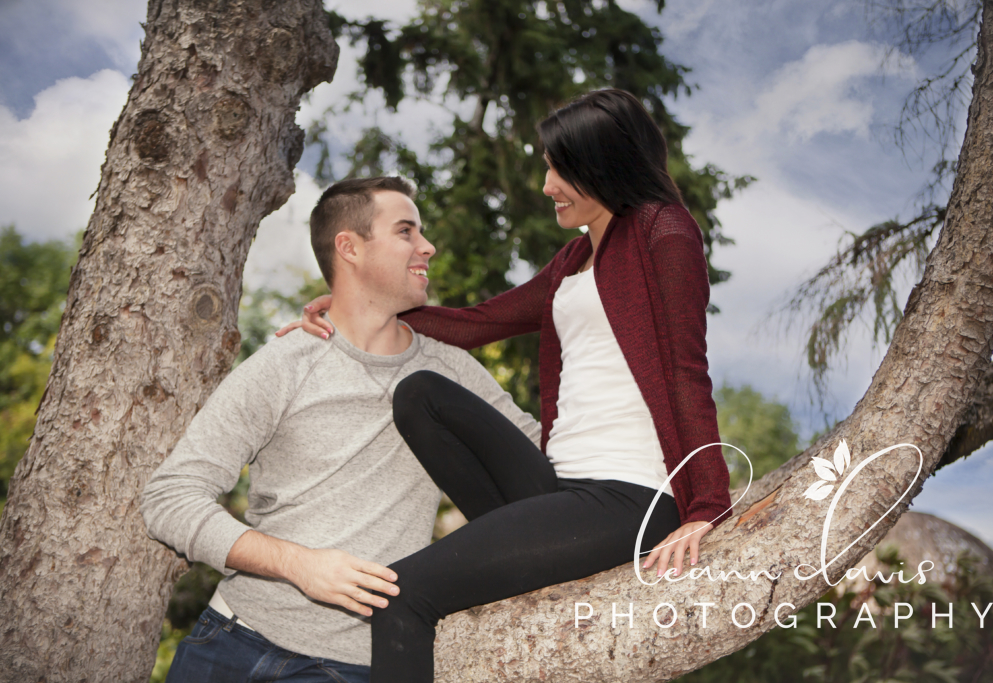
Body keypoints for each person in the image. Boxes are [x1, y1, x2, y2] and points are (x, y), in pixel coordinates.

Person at [283, 88, 734, 682]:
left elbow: (685, 370)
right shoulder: (572, 260)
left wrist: (706, 507)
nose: (547, 185)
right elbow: (479, 323)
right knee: (420, 394)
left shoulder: (663, 230)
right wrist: (356, 307)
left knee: (400, 595)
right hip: (556, 486)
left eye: (558, 168)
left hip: (632, 495)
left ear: (602, 163)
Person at [140, 177, 540, 683]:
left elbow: (544, 456)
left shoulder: (452, 372)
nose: (427, 246)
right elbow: (170, 497)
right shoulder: (288, 360)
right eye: (405, 231)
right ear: (348, 247)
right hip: (230, 644)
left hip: (353, 668)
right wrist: (298, 565)